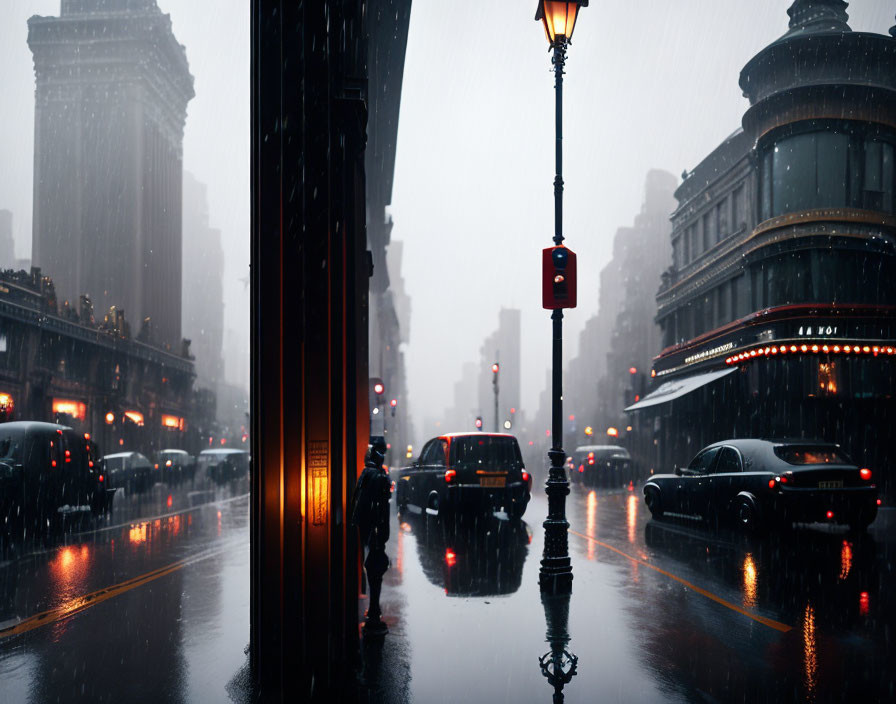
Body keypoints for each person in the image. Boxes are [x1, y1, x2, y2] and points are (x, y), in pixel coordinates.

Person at [351, 436, 391, 634]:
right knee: (376, 569)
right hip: (375, 533)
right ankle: (374, 613)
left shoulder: (365, 475)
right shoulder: (378, 477)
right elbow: (381, 512)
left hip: (368, 531)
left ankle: (374, 611)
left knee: (373, 568)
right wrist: (380, 534)